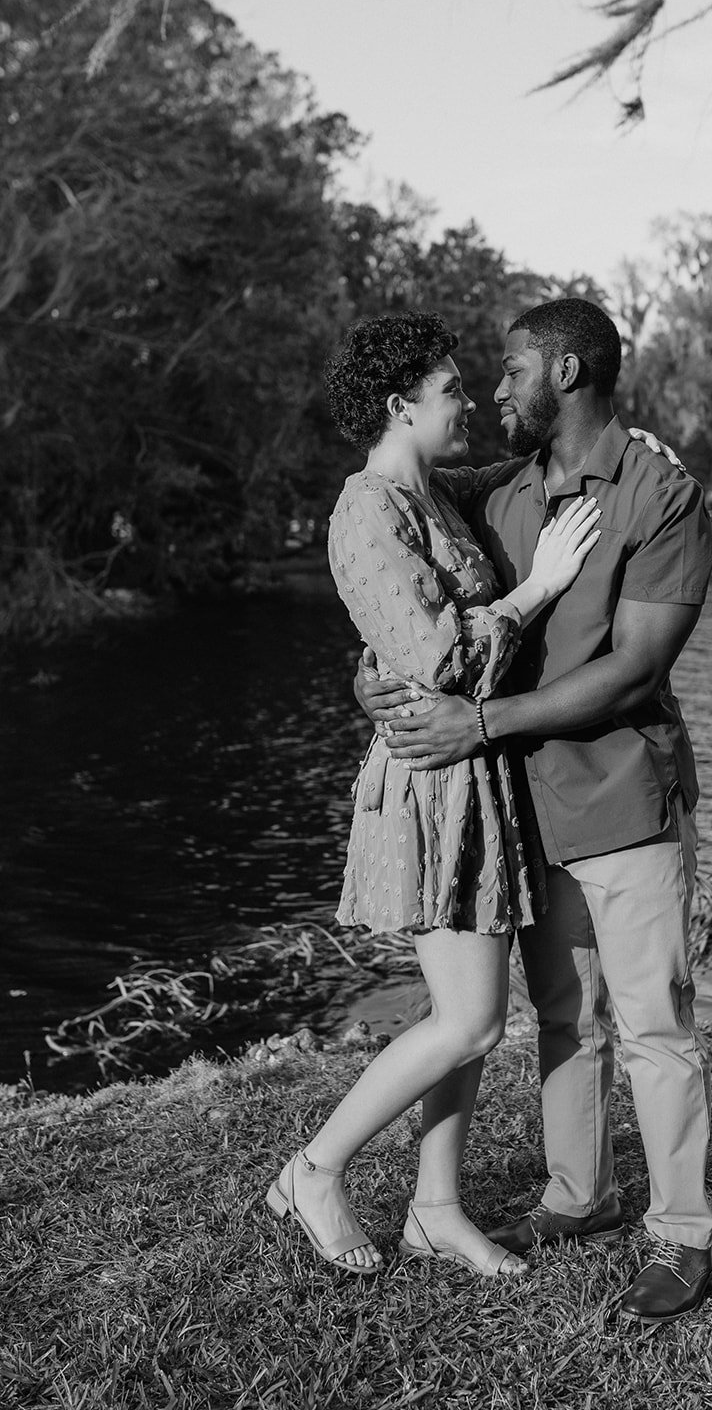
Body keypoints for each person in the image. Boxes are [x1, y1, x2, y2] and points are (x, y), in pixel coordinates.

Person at [361, 297, 712, 1324]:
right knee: (566, 1017)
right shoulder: (500, 491)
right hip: (527, 810)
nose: (495, 388)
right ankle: (579, 1196)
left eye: (512, 370)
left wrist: (478, 723)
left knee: (654, 1025)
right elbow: (402, 574)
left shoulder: (657, 489)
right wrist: (365, 684)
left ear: (564, 371)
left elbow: (634, 669)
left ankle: (683, 1231)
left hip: (624, 798)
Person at [266, 311, 602, 1281]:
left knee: (467, 1008)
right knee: (471, 1018)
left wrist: (613, 446)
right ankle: (314, 1169)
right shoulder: (366, 510)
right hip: (428, 782)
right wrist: (535, 591)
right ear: (396, 404)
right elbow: (441, 657)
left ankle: (436, 1206)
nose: (467, 401)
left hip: (478, 783)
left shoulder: (437, 492)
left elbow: (507, 479)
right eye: (452, 389)